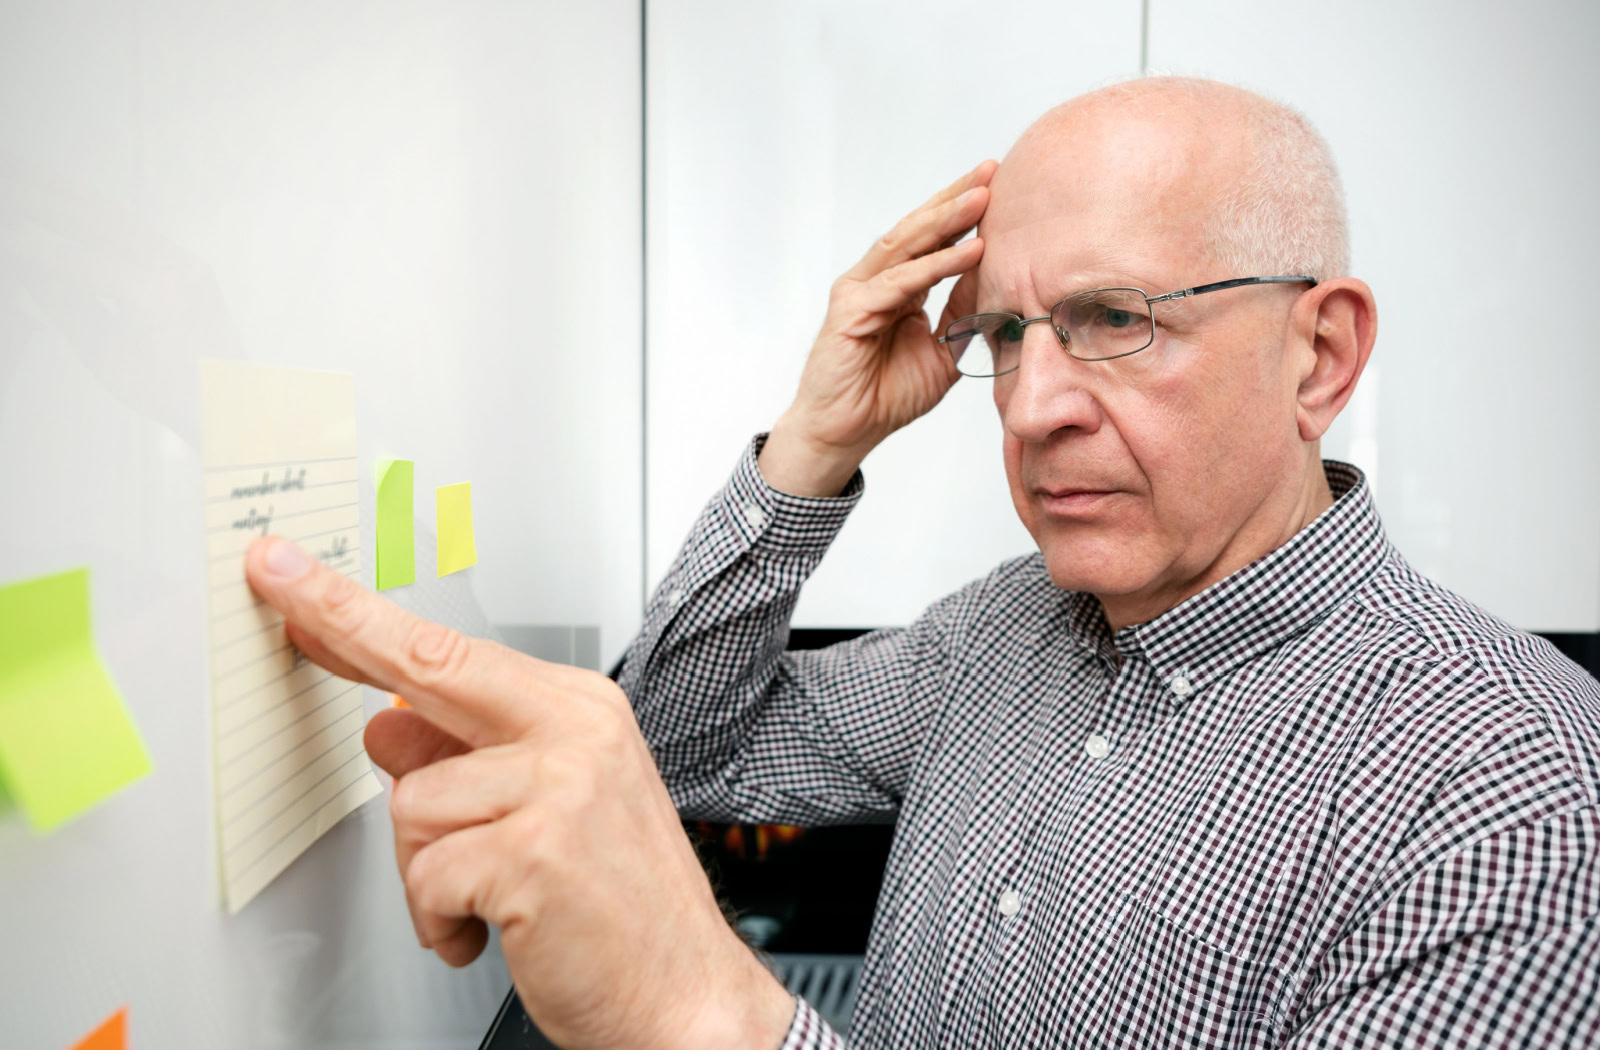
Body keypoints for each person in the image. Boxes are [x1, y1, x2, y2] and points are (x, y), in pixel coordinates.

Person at [244, 75, 1600, 1049]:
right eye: (1007, 336)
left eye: (1114, 317)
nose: (1027, 406)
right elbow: (679, 748)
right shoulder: (1008, 629)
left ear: (1321, 354)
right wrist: (815, 442)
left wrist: (718, 1014)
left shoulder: (1509, 795)